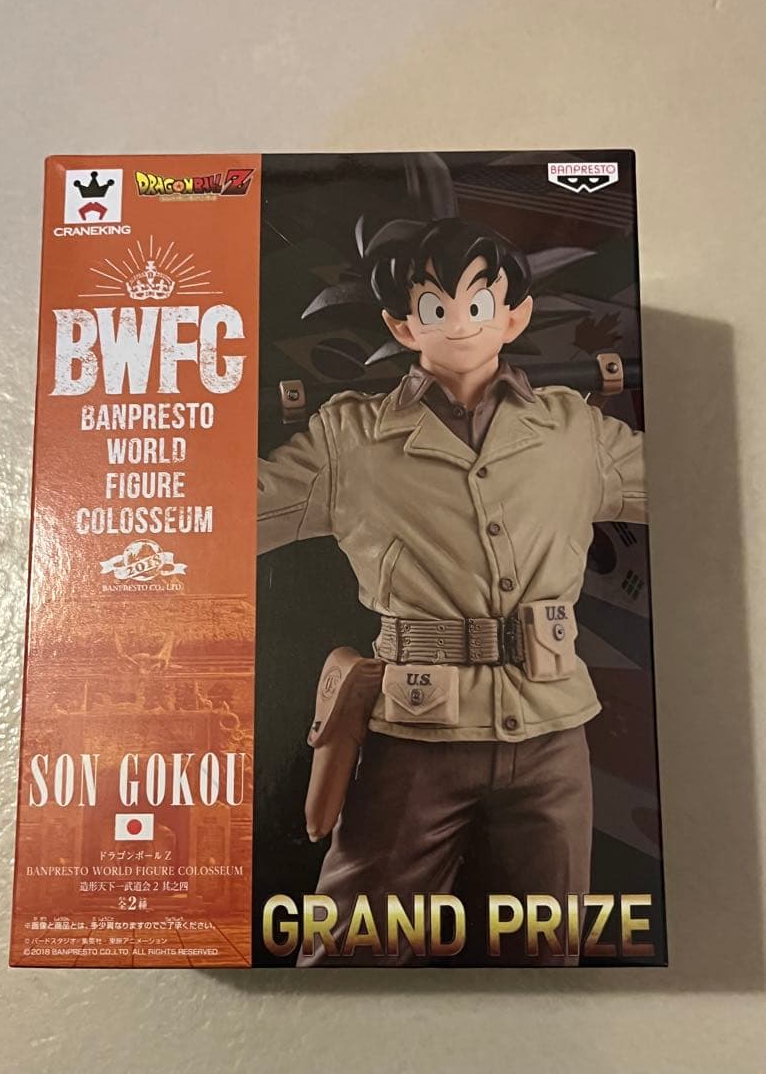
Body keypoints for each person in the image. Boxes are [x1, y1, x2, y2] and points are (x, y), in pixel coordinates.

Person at [257, 216, 646, 966]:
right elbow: (220, 517)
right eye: (436, 307)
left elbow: (703, 488)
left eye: (479, 302)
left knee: (550, 957)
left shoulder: (575, 433)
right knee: (349, 953)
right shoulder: (351, 440)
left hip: (551, 730)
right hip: (416, 733)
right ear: (404, 325)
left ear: (515, 316)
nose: (460, 323)